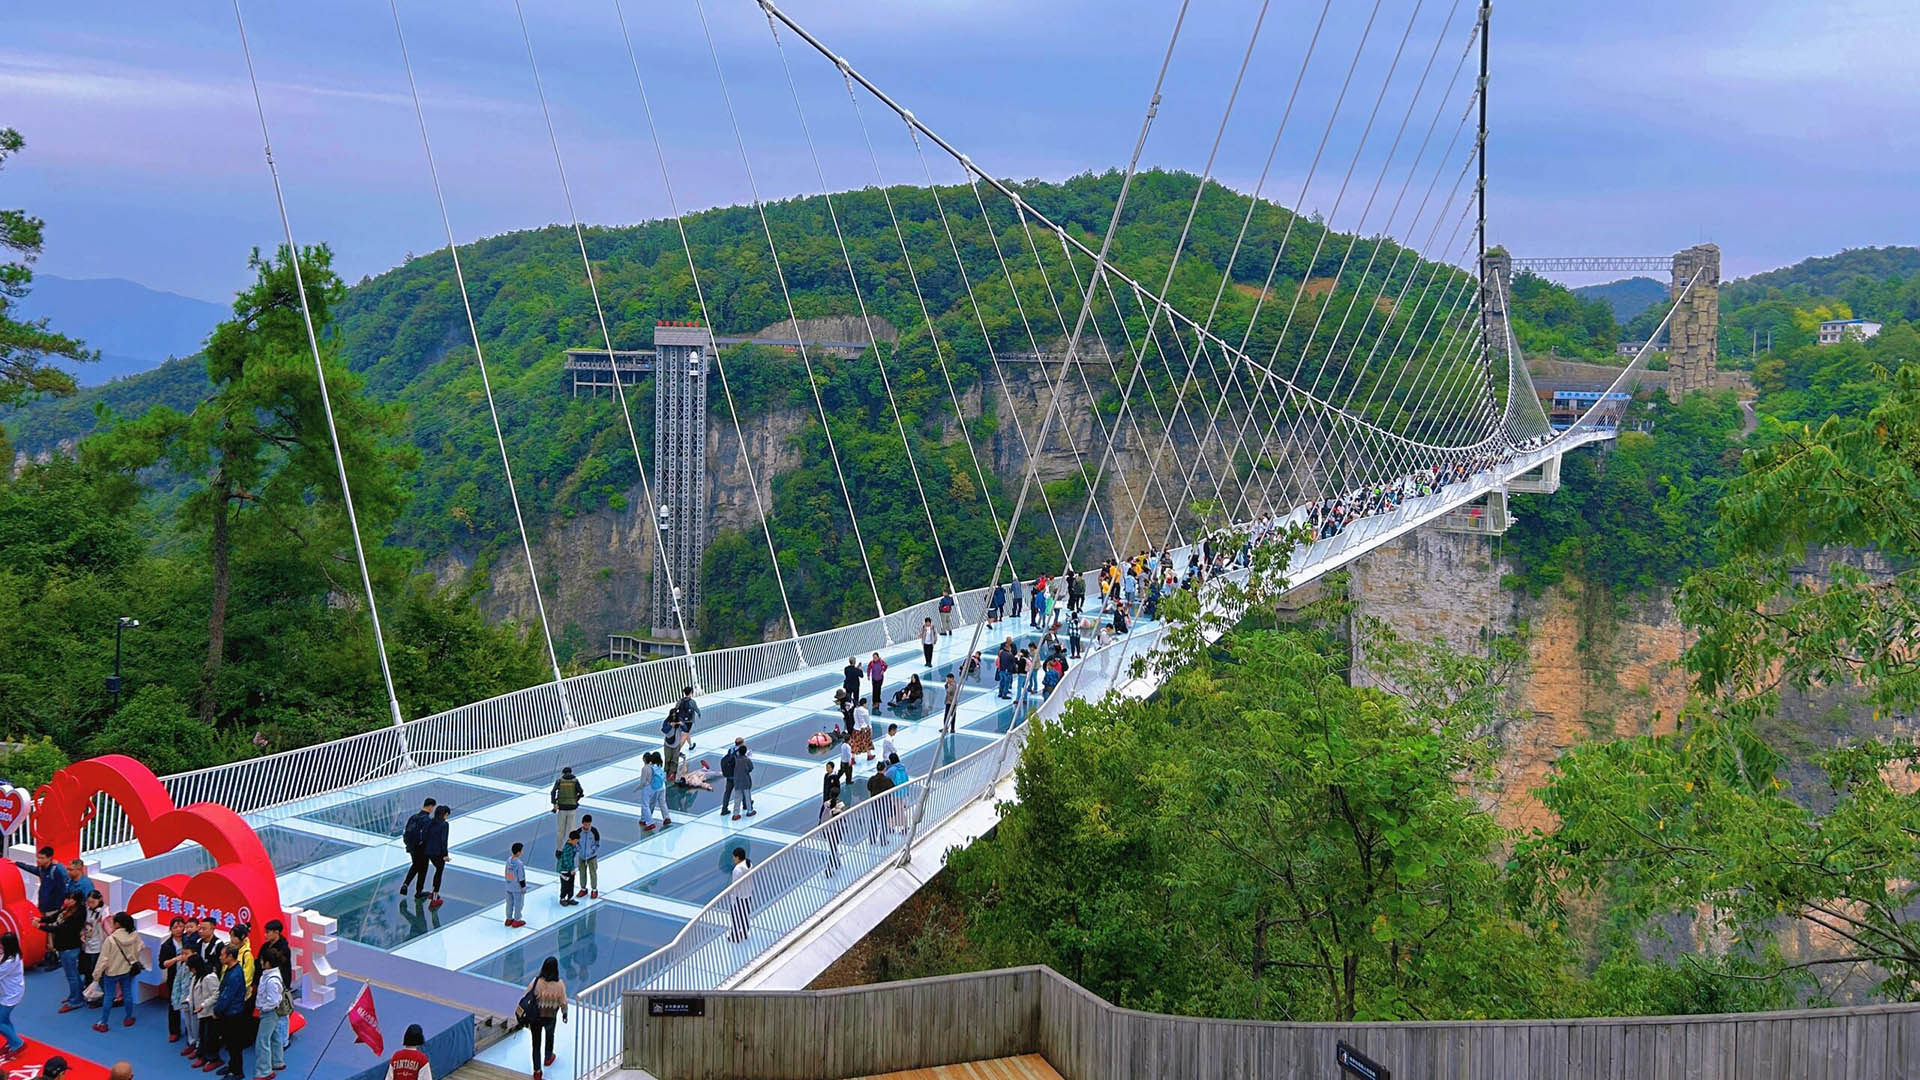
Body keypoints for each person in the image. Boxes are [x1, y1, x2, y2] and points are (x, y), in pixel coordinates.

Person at [91, 912, 143, 1033]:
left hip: (111, 972)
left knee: (109, 996)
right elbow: (140, 947)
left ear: (118, 924)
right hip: (127, 970)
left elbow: (103, 960)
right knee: (127, 993)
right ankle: (129, 1017)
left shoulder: (111, 939)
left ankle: (103, 1022)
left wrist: (96, 976)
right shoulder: (134, 935)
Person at [251, 938, 292, 1079]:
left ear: (268, 963)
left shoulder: (272, 980)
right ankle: (277, 1061)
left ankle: (264, 1071)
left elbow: (274, 1001)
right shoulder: (270, 975)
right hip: (271, 1012)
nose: (260, 962)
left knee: (262, 1041)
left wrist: (262, 1007)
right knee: (274, 1037)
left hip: (269, 1013)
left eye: (262, 960)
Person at [212, 943, 250, 1078]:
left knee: (234, 1044)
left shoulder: (234, 975)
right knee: (230, 1043)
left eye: (222, 955)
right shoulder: (231, 969)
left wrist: (216, 1010)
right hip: (230, 1012)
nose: (220, 957)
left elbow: (226, 996)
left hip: (233, 1014)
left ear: (230, 956)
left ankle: (237, 1072)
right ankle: (232, 1065)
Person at [527, 955, 568, 1079]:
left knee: (536, 1044)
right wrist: (564, 1013)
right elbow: (563, 1002)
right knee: (550, 1036)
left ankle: (537, 1071)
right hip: (550, 1017)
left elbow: (527, 995)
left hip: (536, 1018)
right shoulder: (559, 985)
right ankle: (548, 1057)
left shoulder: (536, 982)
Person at [32, 848, 69, 970]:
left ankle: (55, 957)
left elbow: (63, 889)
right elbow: (33, 869)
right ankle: (49, 955)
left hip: (53, 907)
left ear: (50, 858)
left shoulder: (57, 871)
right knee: (47, 932)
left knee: (52, 932)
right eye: (38, 857)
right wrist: (17, 864)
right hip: (44, 906)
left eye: (42, 858)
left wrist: (58, 905)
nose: (39, 860)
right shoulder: (42, 869)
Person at [158, 916, 190, 1044]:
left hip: (189, 976)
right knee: (173, 1005)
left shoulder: (189, 940)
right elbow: (162, 964)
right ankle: (174, 1031)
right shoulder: (167, 945)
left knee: (189, 1004)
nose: (178, 930)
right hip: (174, 978)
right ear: (170, 929)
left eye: (181, 926)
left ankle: (190, 1031)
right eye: (175, 927)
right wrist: (176, 959)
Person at [170, 932, 201, 1058]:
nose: (183, 956)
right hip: (183, 1000)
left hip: (194, 1002)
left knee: (196, 1025)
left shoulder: (198, 968)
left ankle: (198, 1046)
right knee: (188, 1023)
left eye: (186, 954)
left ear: (194, 954)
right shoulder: (182, 964)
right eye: (182, 953)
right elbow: (178, 982)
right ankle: (191, 1043)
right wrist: (176, 999)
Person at [399, 797, 437, 898]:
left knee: (415, 865)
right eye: (433, 807)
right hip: (422, 848)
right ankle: (419, 892)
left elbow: (406, 831)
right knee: (423, 868)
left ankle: (405, 884)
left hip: (411, 847)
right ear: (430, 806)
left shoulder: (413, 817)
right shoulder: (427, 820)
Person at [190, 952, 221, 1069]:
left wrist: (203, 1005)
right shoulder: (196, 976)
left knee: (210, 1037)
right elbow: (194, 991)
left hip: (209, 1012)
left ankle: (213, 1058)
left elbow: (216, 994)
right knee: (202, 1035)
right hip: (201, 1012)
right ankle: (202, 1055)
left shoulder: (210, 977)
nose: (190, 970)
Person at [78, 890, 107, 1005]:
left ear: (99, 899)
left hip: (99, 946)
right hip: (88, 945)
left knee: (98, 973)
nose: (90, 904)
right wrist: (82, 934)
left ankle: (101, 996)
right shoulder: (87, 909)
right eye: (88, 902)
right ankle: (91, 994)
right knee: (89, 970)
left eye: (92, 902)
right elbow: (85, 926)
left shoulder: (104, 912)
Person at [0, 932, 24, 1060]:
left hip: (11, 994)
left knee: (0, 1021)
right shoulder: (10, 954)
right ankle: (11, 1041)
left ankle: (17, 1043)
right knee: (4, 1019)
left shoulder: (10, 961)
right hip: (6, 992)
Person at [549, 767, 584, 854]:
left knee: (561, 830)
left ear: (563, 773)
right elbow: (581, 791)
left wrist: (554, 803)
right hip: (572, 808)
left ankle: (559, 849)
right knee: (571, 830)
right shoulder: (575, 781)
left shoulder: (559, 781)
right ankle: (570, 847)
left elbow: (553, 792)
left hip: (562, 808)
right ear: (571, 772)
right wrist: (576, 800)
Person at [423, 805, 451, 909]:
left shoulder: (430, 822)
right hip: (438, 853)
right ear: (444, 814)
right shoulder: (444, 825)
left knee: (437, 871)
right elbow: (443, 841)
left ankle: (434, 894)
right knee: (439, 873)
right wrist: (445, 855)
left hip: (428, 851)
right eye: (447, 815)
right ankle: (435, 897)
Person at [864, 763, 895, 844]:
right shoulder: (887, 780)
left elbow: (869, 787)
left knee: (874, 820)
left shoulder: (872, 779)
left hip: (874, 803)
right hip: (884, 803)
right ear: (884, 769)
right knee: (883, 821)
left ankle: (872, 839)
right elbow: (893, 789)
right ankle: (883, 840)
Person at [726, 848, 752, 943]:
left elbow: (735, 886)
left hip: (740, 897)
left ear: (737, 857)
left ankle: (735, 935)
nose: (733, 859)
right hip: (748, 894)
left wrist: (733, 898)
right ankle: (744, 932)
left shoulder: (737, 870)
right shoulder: (748, 864)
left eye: (734, 857)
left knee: (736, 916)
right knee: (745, 914)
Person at [577, 814, 602, 900]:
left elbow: (597, 843)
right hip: (582, 857)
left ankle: (594, 890)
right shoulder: (578, 832)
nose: (586, 826)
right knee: (582, 873)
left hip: (592, 857)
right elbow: (576, 843)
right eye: (585, 824)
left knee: (593, 873)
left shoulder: (594, 831)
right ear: (582, 823)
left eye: (588, 824)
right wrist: (579, 849)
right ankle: (583, 889)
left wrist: (593, 850)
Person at [504, 842, 528, 929]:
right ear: (518, 852)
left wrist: (509, 881)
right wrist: (523, 887)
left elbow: (507, 872)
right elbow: (521, 877)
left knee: (509, 903)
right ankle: (517, 920)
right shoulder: (519, 864)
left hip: (509, 886)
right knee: (518, 904)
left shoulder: (508, 860)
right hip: (517, 888)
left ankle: (509, 919)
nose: (522, 852)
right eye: (521, 851)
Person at [731, 740, 756, 821]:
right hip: (745, 780)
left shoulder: (736, 760)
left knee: (737, 798)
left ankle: (736, 814)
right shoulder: (747, 760)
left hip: (737, 781)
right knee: (747, 797)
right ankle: (749, 811)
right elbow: (751, 768)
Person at [556, 831, 579, 907]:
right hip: (564, 870)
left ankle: (570, 897)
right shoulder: (567, 848)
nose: (576, 842)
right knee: (565, 885)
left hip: (570, 869)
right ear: (572, 840)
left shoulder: (572, 846)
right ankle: (562, 898)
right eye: (576, 841)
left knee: (571, 884)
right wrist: (571, 869)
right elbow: (566, 860)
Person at [719, 740, 740, 818]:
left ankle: (724, 808)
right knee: (740, 791)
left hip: (729, 776)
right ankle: (746, 804)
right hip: (736, 776)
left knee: (727, 793)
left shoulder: (730, 750)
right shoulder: (739, 752)